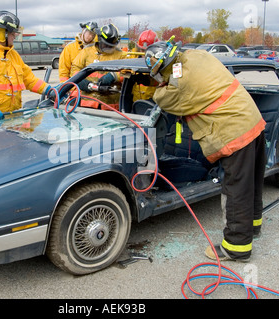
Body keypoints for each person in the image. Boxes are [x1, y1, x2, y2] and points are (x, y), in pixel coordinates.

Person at [145, 40, 267, 262]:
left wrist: (161, 82)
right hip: (253, 122)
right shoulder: (198, 56)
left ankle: (236, 247)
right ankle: (253, 227)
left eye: (157, 74)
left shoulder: (180, 86)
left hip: (234, 133)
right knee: (251, 183)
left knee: (235, 190)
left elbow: (161, 98)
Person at [0, 10, 52, 122]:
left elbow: (28, 79)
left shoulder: (13, 55)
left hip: (8, 119)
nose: (14, 38)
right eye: (13, 34)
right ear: (4, 34)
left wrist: (49, 90)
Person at [70, 23, 126, 110]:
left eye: (111, 46)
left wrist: (114, 76)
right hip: (88, 103)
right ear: (99, 40)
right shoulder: (87, 52)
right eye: (106, 45)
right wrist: (80, 80)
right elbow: (75, 68)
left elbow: (128, 72)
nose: (108, 48)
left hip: (110, 105)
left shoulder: (121, 55)